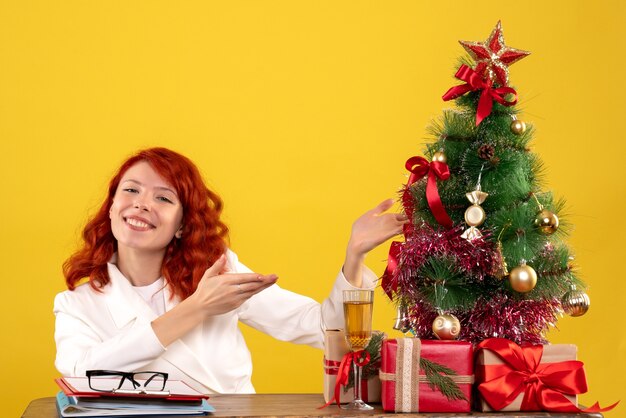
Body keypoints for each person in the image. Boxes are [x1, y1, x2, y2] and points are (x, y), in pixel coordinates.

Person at [54, 147, 407, 394]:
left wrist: (354, 257)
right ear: (113, 207)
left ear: (181, 224)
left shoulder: (220, 272)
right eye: (130, 190)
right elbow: (82, 373)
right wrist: (198, 307)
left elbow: (325, 331)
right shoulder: (76, 305)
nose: (142, 203)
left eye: (163, 198)